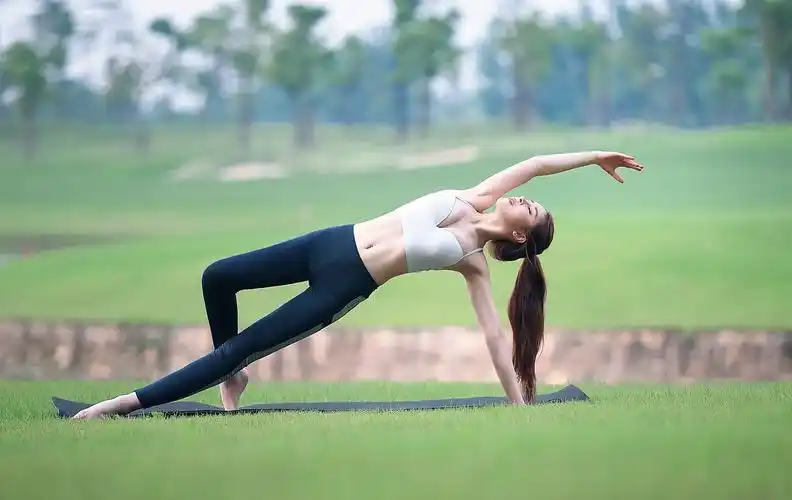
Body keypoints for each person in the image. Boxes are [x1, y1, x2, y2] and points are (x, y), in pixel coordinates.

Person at [72, 150, 643, 419]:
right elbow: (539, 162)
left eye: (532, 210)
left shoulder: (473, 262)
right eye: (530, 199)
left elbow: (496, 339)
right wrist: (595, 157)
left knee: (238, 347)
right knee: (217, 276)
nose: (525, 198)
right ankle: (232, 372)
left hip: (342, 287)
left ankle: (118, 405)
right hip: (330, 242)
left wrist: (519, 406)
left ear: (521, 239)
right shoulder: (480, 195)